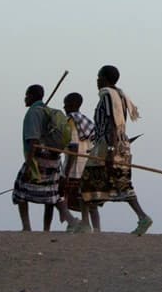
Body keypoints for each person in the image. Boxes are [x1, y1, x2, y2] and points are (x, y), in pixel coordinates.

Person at [80, 65, 154, 235]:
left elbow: (113, 125)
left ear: (105, 78)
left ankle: (85, 225)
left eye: (99, 77)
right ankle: (142, 217)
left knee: (86, 184)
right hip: (120, 147)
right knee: (122, 185)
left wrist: (111, 150)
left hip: (107, 147)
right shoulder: (120, 96)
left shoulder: (107, 96)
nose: (97, 81)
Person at [11, 83, 64, 232]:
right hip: (53, 158)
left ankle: (26, 227)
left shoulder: (33, 113)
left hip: (38, 157)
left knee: (20, 190)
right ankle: (46, 229)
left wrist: (29, 165)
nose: (25, 98)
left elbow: (33, 141)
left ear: (32, 96)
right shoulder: (47, 111)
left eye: (27, 95)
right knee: (50, 194)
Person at [58, 92, 95, 234]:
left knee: (62, 195)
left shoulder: (71, 121)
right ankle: (93, 227)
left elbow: (73, 146)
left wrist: (65, 173)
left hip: (74, 167)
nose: (64, 106)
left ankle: (72, 223)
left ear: (72, 105)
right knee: (87, 200)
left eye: (65, 103)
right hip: (86, 165)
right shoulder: (87, 122)